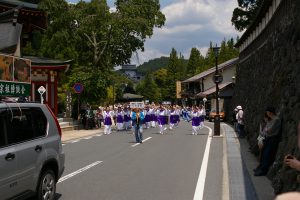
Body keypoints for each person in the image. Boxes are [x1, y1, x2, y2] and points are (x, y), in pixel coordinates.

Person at [254, 106, 281, 176]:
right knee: (263, 153)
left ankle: (263, 170)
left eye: (268, 112)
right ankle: (261, 167)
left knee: (267, 154)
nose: (267, 114)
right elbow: (265, 130)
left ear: (271, 112)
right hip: (266, 138)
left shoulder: (276, 120)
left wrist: (264, 130)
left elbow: (269, 130)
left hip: (272, 139)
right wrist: (263, 131)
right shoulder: (270, 120)